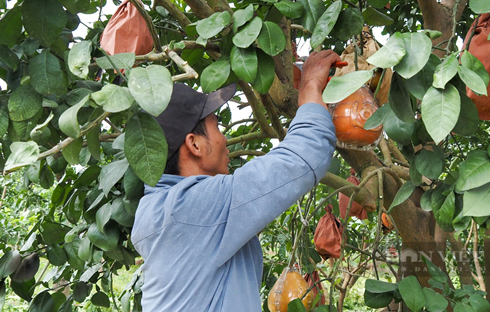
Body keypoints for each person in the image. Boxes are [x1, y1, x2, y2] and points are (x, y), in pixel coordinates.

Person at [131, 50, 342, 311]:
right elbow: (306, 153)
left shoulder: (157, 209)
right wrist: (311, 85)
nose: (224, 140)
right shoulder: (195, 207)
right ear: (194, 144)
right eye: (216, 127)